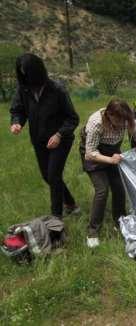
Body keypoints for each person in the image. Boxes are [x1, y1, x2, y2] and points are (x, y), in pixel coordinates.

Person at [10, 53, 79, 218]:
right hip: (39, 140)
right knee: (47, 176)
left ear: (37, 72)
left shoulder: (57, 90)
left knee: (54, 175)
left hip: (61, 140)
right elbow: (18, 109)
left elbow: (72, 118)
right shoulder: (23, 89)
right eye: (22, 73)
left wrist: (59, 135)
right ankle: (71, 204)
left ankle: (56, 220)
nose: (26, 77)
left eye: (28, 73)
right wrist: (17, 122)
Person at [80, 99, 136, 248]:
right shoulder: (96, 123)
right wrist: (110, 160)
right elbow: (90, 153)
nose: (123, 125)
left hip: (113, 152)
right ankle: (92, 232)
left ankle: (120, 222)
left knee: (118, 187)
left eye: (125, 121)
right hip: (94, 155)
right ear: (109, 115)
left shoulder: (126, 119)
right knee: (102, 190)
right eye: (119, 121)